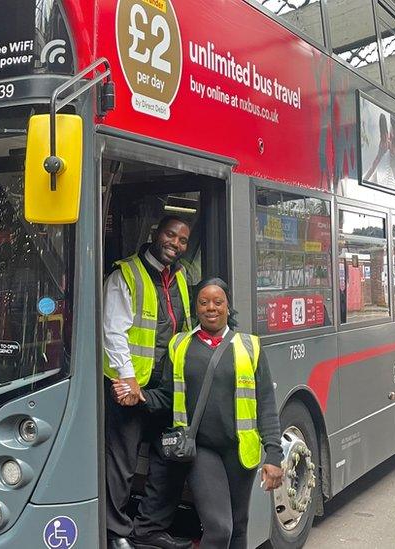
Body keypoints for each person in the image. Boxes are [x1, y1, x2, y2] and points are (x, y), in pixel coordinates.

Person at [117, 278, 284, 548]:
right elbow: (168, 396)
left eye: (218, 302)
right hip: (202, 451)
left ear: (228, 306)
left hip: (241, 451)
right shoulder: (179, 345)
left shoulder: (250, 346)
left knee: (238, 527)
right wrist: (141, 396)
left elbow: (265, 404)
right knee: (219, 529)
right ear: (196, 307)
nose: (211, 308)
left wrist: (274, 454)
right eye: (204, 302)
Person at [102, 216, 195, 549]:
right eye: (171, 235)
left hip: (166, 390)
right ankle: (114, 532)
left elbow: (184, 327)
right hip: (131, 387)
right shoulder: (125, 274)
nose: (176, 243)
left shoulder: (182, 277)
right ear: (156, 233)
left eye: (184, 240)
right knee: (122, 463)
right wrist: (126, 379)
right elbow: (112, 331)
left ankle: (149, 528)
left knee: (169, 457)